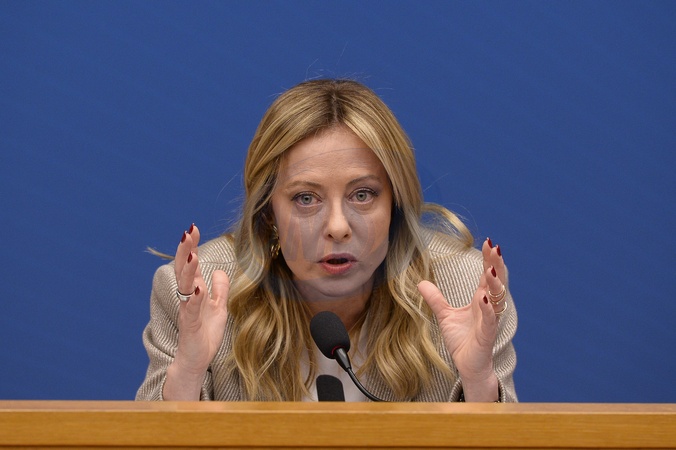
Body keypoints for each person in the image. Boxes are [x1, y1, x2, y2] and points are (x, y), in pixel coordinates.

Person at [136, 78, 517, 402]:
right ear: (268, 212)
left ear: (395, 205)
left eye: (362, 195)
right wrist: (189, 372)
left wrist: (478, 383)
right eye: (306, 198)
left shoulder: (465, 289)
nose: (337, 226)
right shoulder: (194, 293)